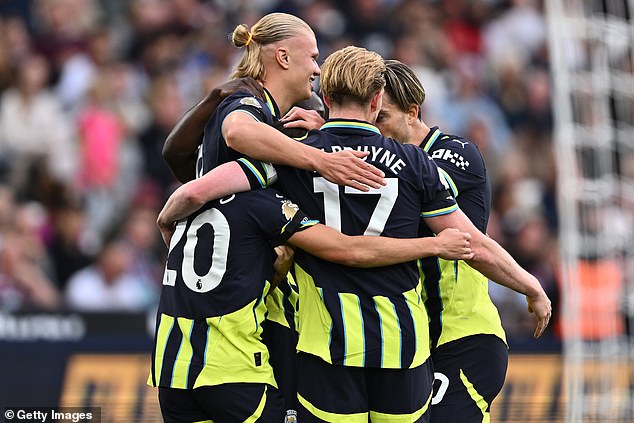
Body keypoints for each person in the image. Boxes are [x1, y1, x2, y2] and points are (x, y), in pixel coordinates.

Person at [150, 183, 473, 423]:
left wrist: (164, 220)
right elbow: (348, 251)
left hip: (170, 369)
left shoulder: (190, 200)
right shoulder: (265, 203)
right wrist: (434, 244)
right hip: (230, 370)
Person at [375, 59, 509, 422]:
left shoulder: (456, 153)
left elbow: (413, 185)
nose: (375, 132)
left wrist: (331, 139)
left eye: (382, 118)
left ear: (412, 112)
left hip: (464, 335)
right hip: (412, 343)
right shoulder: (379, 160)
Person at [161, 12, 384, 192]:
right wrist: (322, 159)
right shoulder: (247, 101)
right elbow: (237, 132)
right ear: (284, 57)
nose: (317, 70)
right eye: (313, 58)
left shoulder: (264, 107)